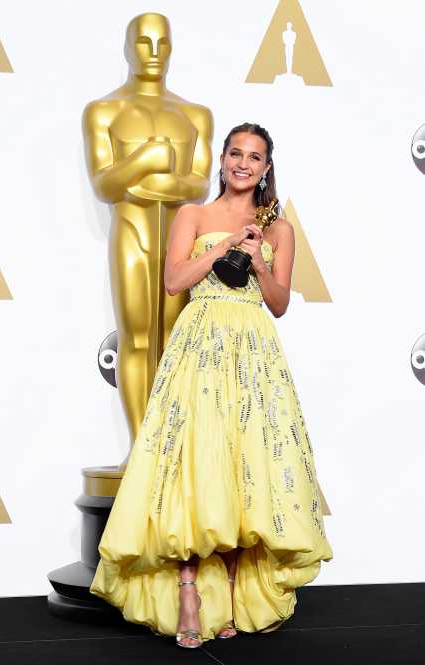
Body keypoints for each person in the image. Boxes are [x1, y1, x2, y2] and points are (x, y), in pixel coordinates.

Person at [89, 122, 333, 648]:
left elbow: (280, 302)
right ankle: (187, 590)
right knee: (194, 465)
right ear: (222, 159)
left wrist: (256, 254)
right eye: (236, 153)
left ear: (267, 168)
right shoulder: (193, 214)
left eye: (256, 157)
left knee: (243, 468)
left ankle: (227, 590)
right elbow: (175, 280)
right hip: (200, 341)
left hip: (253, 348)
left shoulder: (279, 229)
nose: (244, 163)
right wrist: (222, 248)